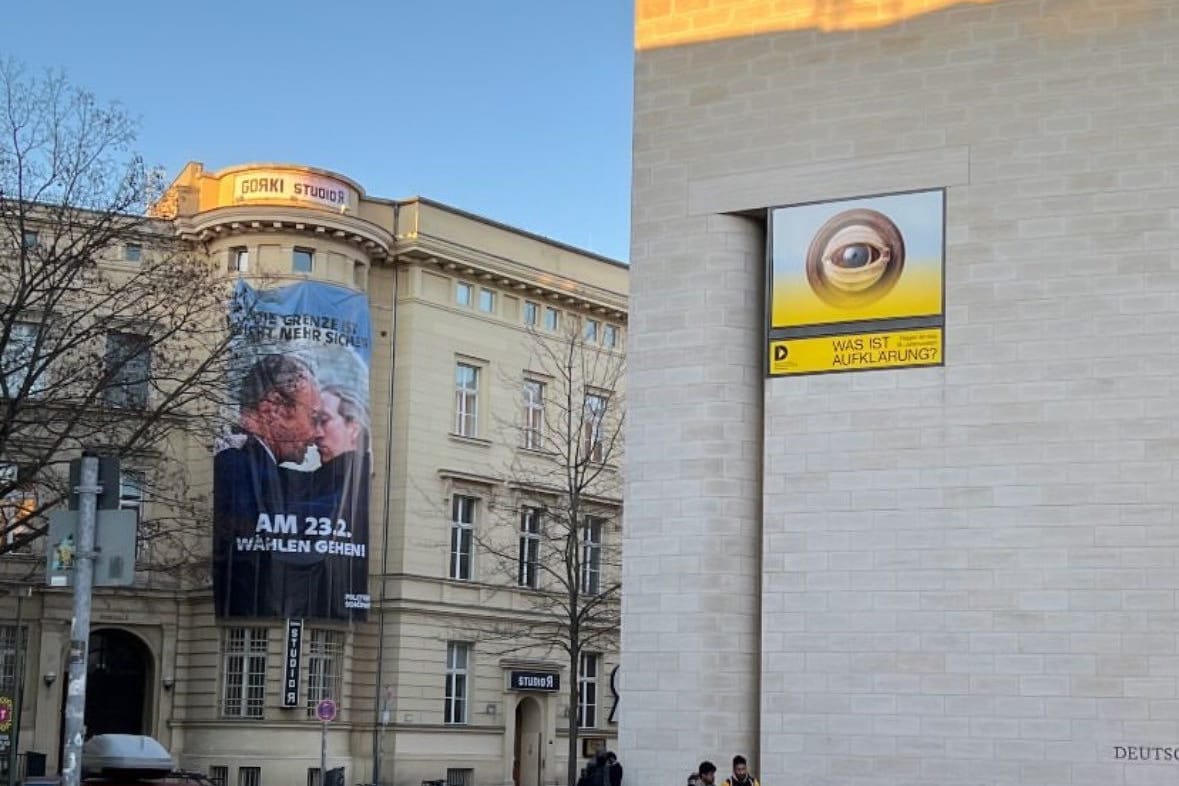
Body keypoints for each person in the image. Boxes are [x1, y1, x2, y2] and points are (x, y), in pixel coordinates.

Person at [213, 353, 325, 618]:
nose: (315, 433)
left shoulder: (248, 460)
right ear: (273, 407)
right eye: (312, 417)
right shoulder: (237, 468)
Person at [305, 384, 371, 620]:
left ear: (353, 428)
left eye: (324, 421)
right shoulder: (327, 478)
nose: (316, 433)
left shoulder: (353, 482)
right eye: (314, 423)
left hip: (329, 594)